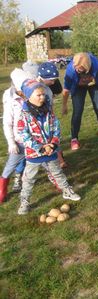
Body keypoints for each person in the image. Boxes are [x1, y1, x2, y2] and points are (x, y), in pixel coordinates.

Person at [17, 80, 81, 215]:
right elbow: (24, 135)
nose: (42, 97)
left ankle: (66, 191)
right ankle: (25, 201)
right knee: (28, 179)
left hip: (50, 151)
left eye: (43, 94)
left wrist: (53, 144)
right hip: (34, 154)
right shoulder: (24, 116)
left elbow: (56, 128)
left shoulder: (48, 111)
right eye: (38, 95)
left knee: (57, 172)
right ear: (28, 96)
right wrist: (40, 147)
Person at [62, 52, 98, 150]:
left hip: (96, 85)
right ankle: (74, 139)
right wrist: (64, 105)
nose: (77, 70)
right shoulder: (70, 70)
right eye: (76, 69)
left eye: (81, 69)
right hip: (78, 87)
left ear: (88, 67)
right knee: (77, 111)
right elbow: (66, 90)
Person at [0, 69, 35, 203]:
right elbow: (7, 123)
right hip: (19, 140)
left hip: (34, 139)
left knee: (46, 162)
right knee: (11, 165)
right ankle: (2, 190)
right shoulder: (10, 100)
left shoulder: (33, 94)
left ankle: (59, 183)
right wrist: (11, 142)